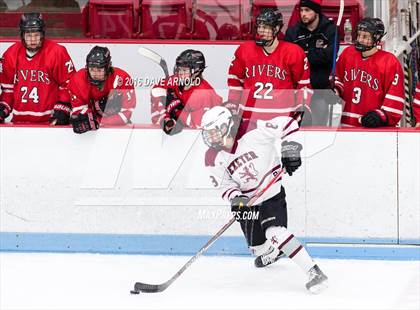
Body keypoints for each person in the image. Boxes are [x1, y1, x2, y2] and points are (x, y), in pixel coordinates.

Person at [201, 106, 328, 294]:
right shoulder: (212, 157)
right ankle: (274, 252)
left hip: (271, 193)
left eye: (213, 132)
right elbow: (224, 184)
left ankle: (313, 271)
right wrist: (237, 199)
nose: (210, 137)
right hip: (249, 202)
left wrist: (290, 148)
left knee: (274, 232)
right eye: (207, 133)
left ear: (226, 125)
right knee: (258, 249)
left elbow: (288, 123)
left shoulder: (252, 129)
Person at [226, 8, 312, 122]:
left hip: (282, 120)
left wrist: (302, 108)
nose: (261, 31)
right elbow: (235, 82)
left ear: (276, 28)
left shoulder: (293, 52)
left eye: (265, 27)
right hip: (248, 120)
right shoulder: (244, 50)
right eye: (259, 26)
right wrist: (233, 105)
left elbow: (303, 86)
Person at [0, 13, 75, 124]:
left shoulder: (57, 52)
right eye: (29, 36)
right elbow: (8, 90)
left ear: (42, 34)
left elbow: (70, 85)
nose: (33, 40)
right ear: (22, 35)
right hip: (18, 123)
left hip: (49, 123)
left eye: (36, 35)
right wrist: (3, 108)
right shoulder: (11, 54)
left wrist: (63, 108)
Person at [334, 17, 404, 128]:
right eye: (359, 35)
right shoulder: (347, 54)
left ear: (376, 38)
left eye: (365, 36)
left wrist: (381, 116)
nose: (360, 39)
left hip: (374, 130)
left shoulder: (389, 62)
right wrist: (336, 90)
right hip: (345, 126)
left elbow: (395, 98)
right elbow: (338, 79)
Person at [285, 0, 338, 125]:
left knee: (318, 132)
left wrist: (303, 54)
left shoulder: (331, 30)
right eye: (301, 10)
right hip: (297, 92)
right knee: (294, 131)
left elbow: (330, 56)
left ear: (316, 12)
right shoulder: (292, 32)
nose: (303, 14)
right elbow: (288, 60)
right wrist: (317, 53)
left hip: (320, 91)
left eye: (307, 10)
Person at [150, 49, 222, 135]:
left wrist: (176, 110)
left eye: (184, 70)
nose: (180, 73)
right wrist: (165, 118)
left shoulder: (203, 93)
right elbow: (156, 90)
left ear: (196, 71)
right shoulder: (176, 80)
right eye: (179, 69)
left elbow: (198, 124)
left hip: (209, 137)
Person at [68, 46, 136, 134]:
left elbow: (126, 113)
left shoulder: (122, 78)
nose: (95, 74)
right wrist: (84, 118)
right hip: (92, 131)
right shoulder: (78, 79)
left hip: (118, 128)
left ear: (108, 67)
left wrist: (98, 121)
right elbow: (78, 109)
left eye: (99, 70)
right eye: (92, 69)